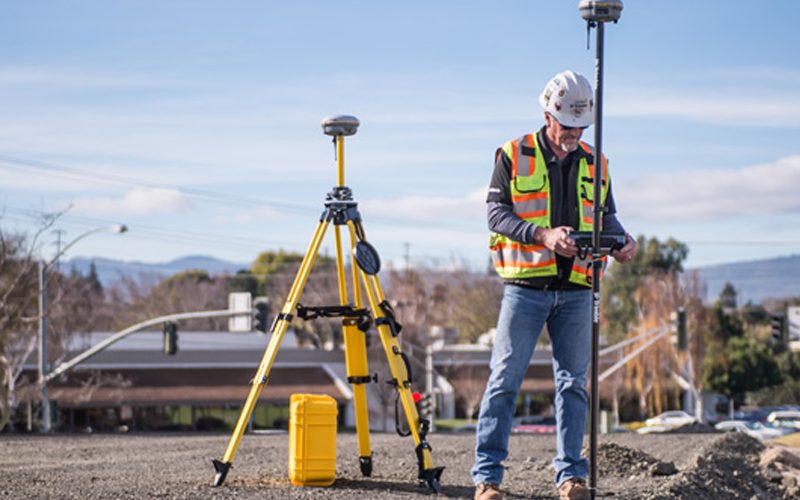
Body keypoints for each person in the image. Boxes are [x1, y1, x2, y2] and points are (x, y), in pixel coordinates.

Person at [471, 70, 637, 500]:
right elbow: (495, 216)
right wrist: (544, 236)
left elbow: (607, 215)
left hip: (580, 288)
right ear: (548, 114)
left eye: (581, 127)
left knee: (574, 385)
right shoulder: (512, 154)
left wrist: (621, 240)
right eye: (567, 126)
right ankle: (487, 479)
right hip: (525, 288)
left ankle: (571, 477)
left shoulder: (596, 162)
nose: (573, 134)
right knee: (504, 380)